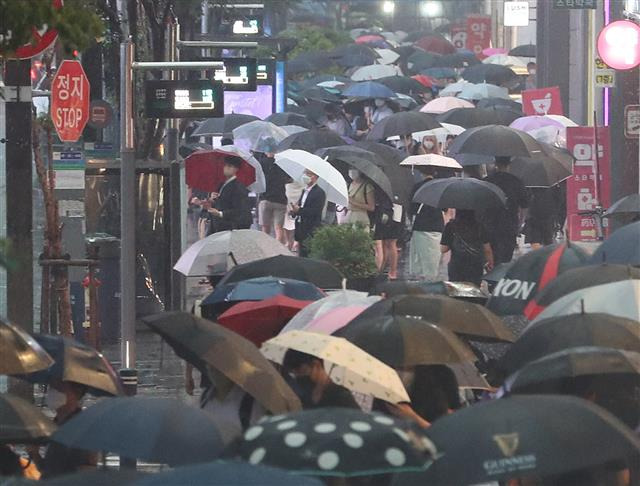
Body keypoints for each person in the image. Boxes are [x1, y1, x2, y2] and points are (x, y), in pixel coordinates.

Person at [30, 381, 97, 478]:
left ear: (76, 393)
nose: (52, 393)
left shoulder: (81, 428)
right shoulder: (55, 425)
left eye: (58, 388)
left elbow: (82, 473)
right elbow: (50, 469)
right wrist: (35, 453)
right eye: (51, 388)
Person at [483, 156, 529, 264]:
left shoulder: (487, 181)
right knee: (505, 258)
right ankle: (501, 278)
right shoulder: (517, 182)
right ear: (509, 165)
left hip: (490, 226)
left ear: (495, 163)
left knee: (492, 259)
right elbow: (524, 206)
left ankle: (492, 279)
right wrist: (520, 222)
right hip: (509, 225)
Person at [282, 349, 359, 409]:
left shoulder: (340, 394)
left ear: (316, 364)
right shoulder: (306, 394)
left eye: (301, 371)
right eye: (294, 374)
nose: (298, 377)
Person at [200, 155, 252, 235]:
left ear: (236, 169)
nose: (226, 168)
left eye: (230, 166)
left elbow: (239, 210)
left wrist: (220, 213)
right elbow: (221, 201)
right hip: (219, 225)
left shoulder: (238, 187)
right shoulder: (222, 183)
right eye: (225, 165)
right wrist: (211, 199)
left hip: (231, 226)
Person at [440, 209, 494, 285]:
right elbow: (487, 249)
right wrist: (490, 263)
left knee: (456, 291)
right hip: (475, 266)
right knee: (474, 291)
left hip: (457, 266)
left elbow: (443, 249)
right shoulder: (479, 226)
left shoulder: (450, 226)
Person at [409, 166, 444, 281]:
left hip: (420, 225)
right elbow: (445, 207)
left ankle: (420, 282)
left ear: (421, 172)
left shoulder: (417, 187)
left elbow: (412, 208)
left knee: (419, 259)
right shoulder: (440, 187)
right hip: (436, 226)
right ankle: (431, 283)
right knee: (433, 260)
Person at [255, 149, 289, 244]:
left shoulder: (261, 163)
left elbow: (257, 178)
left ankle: (266, 250)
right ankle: (278, 251)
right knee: (279, 228)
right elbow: (288, 179)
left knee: (265, 227)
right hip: (280, 200)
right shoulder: (282, 164)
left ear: (266, 152)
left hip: (265, 199)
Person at [290, 170, 326, 257]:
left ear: (315, 177)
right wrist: (294, 211)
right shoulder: (304, 191)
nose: (305, 176)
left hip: (311, 227)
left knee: (308, 252)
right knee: (301, 252)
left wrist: (299, 210)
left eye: (308, 174)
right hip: (300, 226)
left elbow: (315, 211)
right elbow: (300, 206)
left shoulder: (319, 193)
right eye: (305, 173)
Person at [283, 180, 305, 252]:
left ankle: (288, 242)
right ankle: (293, 242)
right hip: (298, 190)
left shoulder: (288, 185)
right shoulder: (304, 189)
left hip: (289, 193)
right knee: (293, 222)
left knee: (286, 221)